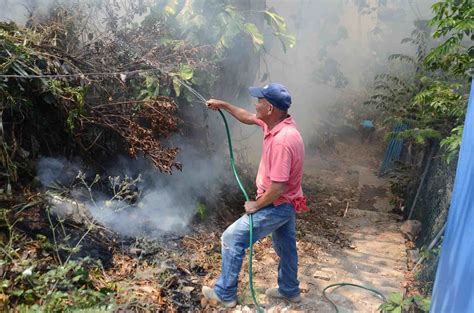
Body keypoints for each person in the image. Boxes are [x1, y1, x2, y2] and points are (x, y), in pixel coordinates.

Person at [202, 83, 308, 308]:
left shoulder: (282, 141)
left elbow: (278, 187)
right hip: (287, 201)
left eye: (259, 100)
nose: (255, 103)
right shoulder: (280, 124)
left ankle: (225, 294)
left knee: (232, 238)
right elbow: (247, 116)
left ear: (269, 108)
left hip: (277, 203)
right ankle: (290, 290)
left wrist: (256, 205)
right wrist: (222, 105)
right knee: (286, 247)